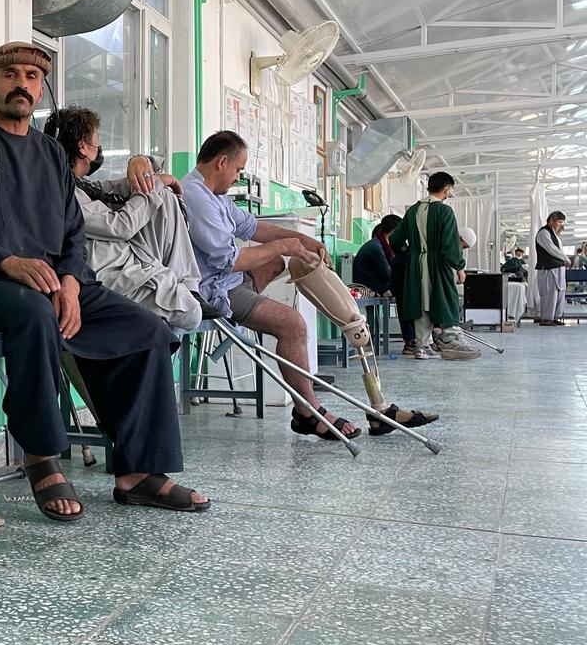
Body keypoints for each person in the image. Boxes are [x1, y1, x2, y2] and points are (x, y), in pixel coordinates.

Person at [0, 42, 209, 519]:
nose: (22, 84)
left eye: (32, 78)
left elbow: (72, 233)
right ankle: (41, 456)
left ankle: (138, 472)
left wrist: (74, 282)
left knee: (146, 331)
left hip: (58, 285)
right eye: (10, 75)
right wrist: (7, 263)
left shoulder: (51, 156)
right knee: (34, 311)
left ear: (41, 90)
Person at [183, 131, 365, 440]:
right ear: (222, 162)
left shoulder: (216, 196)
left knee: (275, 263)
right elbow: (230, 261)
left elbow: (253, 227)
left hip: (230, 279)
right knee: (293, 325)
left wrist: (306, 241)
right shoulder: (195, 196)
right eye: (238, 170)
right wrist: (288, 245)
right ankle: (308, 411)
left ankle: (253, 310)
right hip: (213, 290)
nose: (238, 176)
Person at [53, 105, 202, 333]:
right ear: (82, 146)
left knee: (166, 198)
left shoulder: (81, 185)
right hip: (106, 273)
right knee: (192, 315)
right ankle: (181, 291)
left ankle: (186, 286)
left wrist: (141, 163)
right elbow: (121, 226)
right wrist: (155, 184)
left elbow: (110, 189)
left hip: (128, 263)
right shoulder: (65, 193)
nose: (99, 147)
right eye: (97, 139)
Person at [388, 171, 479, 361]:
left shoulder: (412, 211)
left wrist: (411, 253)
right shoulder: (445, 211)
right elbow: (450, 245)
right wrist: (460, 267)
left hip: (416, 265)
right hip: (438, 264)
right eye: (449, 191)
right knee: (445, 298)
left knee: (421, 303)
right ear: (446, 190)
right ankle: (452, 339)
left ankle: (422, 346)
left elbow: (395, 241)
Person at [353, 215, 418, 356]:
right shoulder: (376, 248)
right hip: (367, 288)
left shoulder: (379, 244)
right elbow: (388, 274)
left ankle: (412, 338)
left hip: (374, 284)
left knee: (405, 289)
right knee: (403, 291)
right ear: (395, 231)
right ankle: (411, 339)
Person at [535, 211, 572, 326]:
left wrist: (564, 260)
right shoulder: (543, 233)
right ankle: (546, 318)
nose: (561, 224)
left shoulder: (554, 233)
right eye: (559, 222)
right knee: (550, 293)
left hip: (557, 268)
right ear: (551, 220)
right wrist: (566, 259)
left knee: (559, 292)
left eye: (562, 222)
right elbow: (552, 249)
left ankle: (556, 316)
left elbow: (558, 249)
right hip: (548, 268)